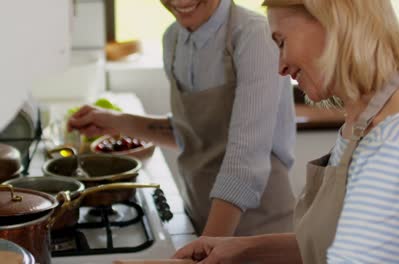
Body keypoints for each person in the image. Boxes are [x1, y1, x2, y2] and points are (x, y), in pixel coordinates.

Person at [172, 0, 399, 263]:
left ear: (334, 23)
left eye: (282, 42)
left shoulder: (389, 146)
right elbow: (339, 243)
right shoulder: (386, 116)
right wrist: (242, 248)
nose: (280, 66)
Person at [67, 0, 296, 237]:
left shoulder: (255, 36)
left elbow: (246, 161)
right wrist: (114, 121)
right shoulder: (173, 39)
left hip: (260, 232)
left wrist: (206, 248)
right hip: (202, 218)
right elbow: (191, 135)